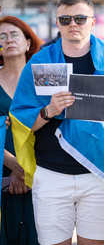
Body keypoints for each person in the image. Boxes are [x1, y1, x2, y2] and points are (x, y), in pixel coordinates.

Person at [9, 0, 104, 245]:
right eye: (65, 19)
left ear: (93, 22)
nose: (72, 24)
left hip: (97, 172)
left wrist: (96, 120)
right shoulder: (41, 62)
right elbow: (21, 120)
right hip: (51, 173)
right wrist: (48, 111)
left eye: (79, 18)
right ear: (57, 23)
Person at [0, 16, 40, 245]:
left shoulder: (44, 79)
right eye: (2, 36)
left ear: (27, 42)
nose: (8, 40)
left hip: (43, 174)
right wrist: (15, 166)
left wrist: (26, 171)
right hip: (2, 172)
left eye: (14, 34)